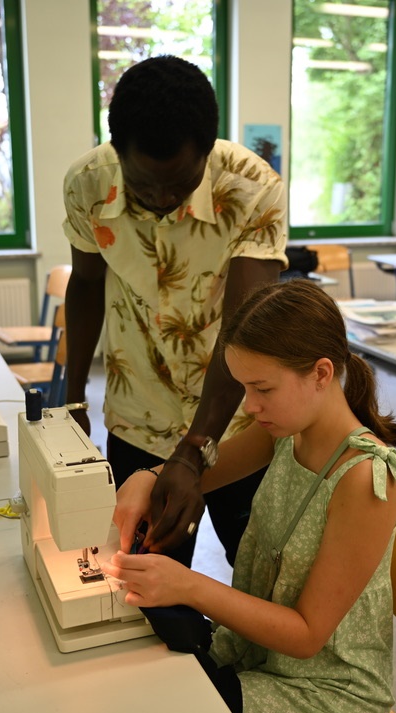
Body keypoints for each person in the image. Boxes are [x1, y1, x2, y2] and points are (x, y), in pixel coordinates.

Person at [103, 280, 396, 713]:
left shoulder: (364, 479)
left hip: (326, 690)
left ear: (321, 374)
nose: (250, 406)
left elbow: (306, 636)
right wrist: (146, 477)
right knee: (139, 683)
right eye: (244, 387)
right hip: (257, 655)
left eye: (262, 389)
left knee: (162, 706)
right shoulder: (286, 433)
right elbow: (199, 475)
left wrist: (187, 585)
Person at [61, 55, 288, 565]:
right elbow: (86, 282)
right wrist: (72, 394)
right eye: (145, 187)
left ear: (207, 152)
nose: (162, 199)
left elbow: (246, 329)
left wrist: (195, 448)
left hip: (237, 425)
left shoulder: (253, 187)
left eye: (179, 183)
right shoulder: (87, 186)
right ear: (117, 153)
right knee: (141, 576)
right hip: (138, 414)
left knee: (259, 574)